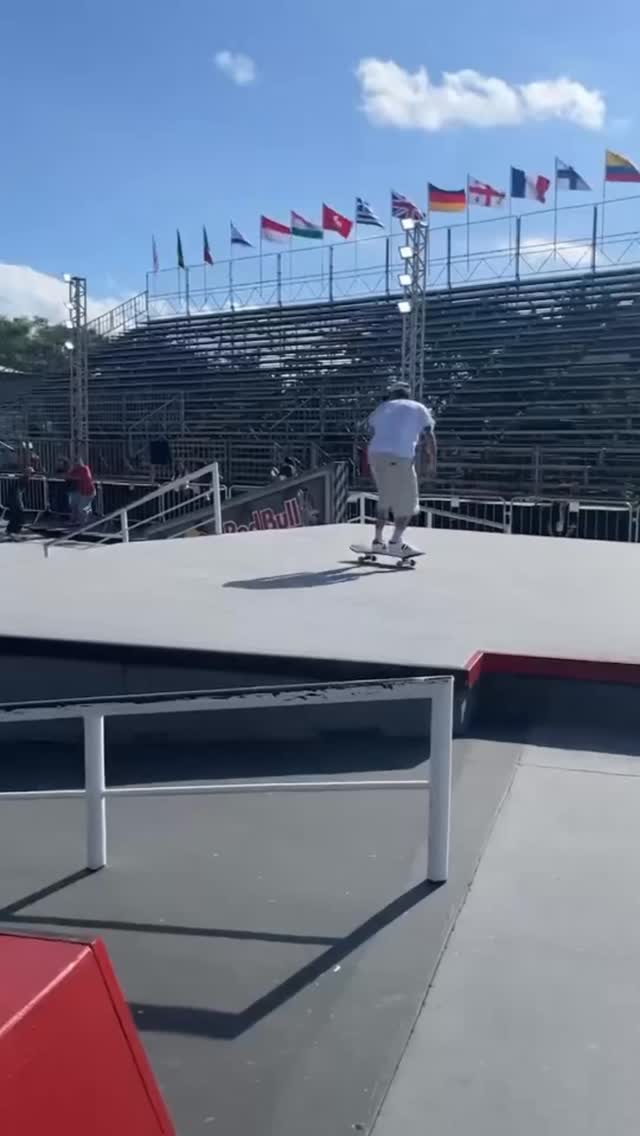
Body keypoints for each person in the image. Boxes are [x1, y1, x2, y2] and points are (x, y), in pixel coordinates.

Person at [367, 381, 436, 557]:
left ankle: (377, 541)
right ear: (408, 394)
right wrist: (432, 462)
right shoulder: (418, 407)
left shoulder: (382, 407)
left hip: (375, 454)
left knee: (385, 496)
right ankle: (396, 542)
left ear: (392, 394)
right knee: (408, 503)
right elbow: (429, 435)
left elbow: (372, 429)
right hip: (400, 456)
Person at [67, 457, 96, 527]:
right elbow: (68, 476)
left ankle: (84, 524)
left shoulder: (84, 469)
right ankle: (85, 521)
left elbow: (71, 476)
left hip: (88, 492)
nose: (76, 464)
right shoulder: (78, 469)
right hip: (84, 492)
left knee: (81, 508)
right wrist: (72, 468)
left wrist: (72, 468)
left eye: (76, 462)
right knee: (79, 506)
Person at [5, 467, 32, 540]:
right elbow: (17, 492)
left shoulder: (24, 479)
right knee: (18, 515)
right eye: (30, 473)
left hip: (15, 499)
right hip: (15, 500)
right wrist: (20, 502)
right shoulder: (23, 479)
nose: (31, 475)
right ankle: (13, 531)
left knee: (16, 515)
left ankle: (11, 530)